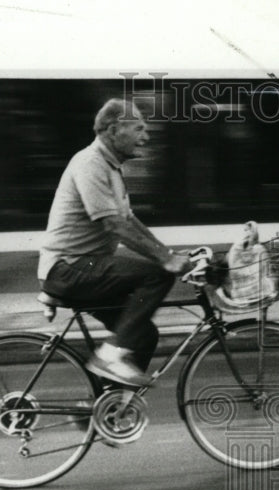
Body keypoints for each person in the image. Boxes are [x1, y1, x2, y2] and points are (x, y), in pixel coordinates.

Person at [38, 98, 187, 387]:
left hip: (85, 268)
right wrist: (165, 262)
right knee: (156, 276)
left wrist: (168, 253)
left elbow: (130, 221)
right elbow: (114, 226)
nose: (146, 138)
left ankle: (107, 409)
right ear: (115, 129)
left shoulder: (112, 168)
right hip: (69, 268)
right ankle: (109, 358)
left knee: (143, 335)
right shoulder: (90, 163)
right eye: (140, 129)